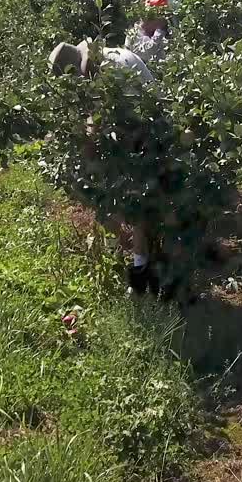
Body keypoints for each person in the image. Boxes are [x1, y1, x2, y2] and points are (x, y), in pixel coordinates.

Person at [48, 38, 164, 296]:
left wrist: (88, 149)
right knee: (117, 194)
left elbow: (108, 120)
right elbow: (94, 116)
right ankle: (127, 249)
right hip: (136, 123)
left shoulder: (111, 70)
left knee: (135, 201)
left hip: (146, 127)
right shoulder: (103, 62)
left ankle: (139, 274)